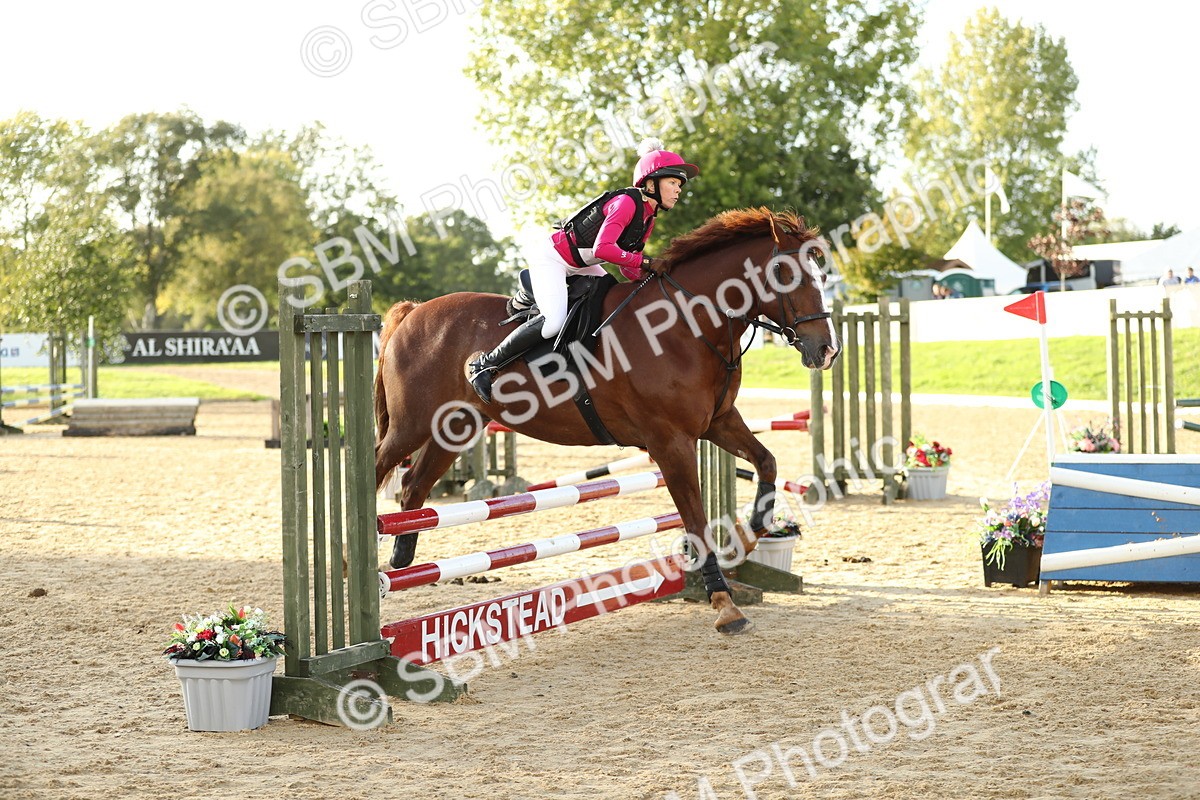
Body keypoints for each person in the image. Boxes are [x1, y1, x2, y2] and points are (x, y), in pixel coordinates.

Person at [467, 138, 699, 403]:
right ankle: (485, 365)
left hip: (581, 264)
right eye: (672, 183)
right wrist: (646, 263)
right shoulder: (626, 203)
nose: (678, 190)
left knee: (611, 298)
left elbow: (627, 267)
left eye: (679, 185)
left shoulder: (648, 217)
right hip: (552, 258)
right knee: (553, 321)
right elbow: (603, 249)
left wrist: (657, 277)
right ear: (650, 184)